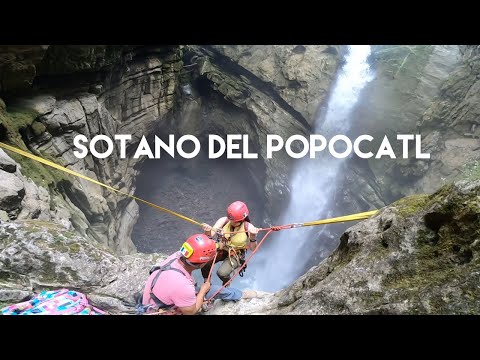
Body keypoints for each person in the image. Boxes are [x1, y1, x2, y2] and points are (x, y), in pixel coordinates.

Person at [140, 233, 256, 315]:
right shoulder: (182, 285)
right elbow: (191, 311)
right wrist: (202, 291)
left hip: (154, 301)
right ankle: (242, 295)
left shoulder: (176, 256)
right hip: (163, 309)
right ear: (201, 263)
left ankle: (239, 295)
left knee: (214, 289)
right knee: (211, 289)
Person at [201, 201, 259, 286]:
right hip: (222, 248)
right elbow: (209, 237)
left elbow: (253, 249)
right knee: (204, 262)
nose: (232, 222)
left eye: (235, 221)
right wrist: (208, 231)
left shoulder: (249, 227)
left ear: (242, 219)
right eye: (231, 220)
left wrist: (253, 237)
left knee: (222, 273)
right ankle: (207, 283)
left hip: (235, 253)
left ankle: (226, 284)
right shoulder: (224, 221)